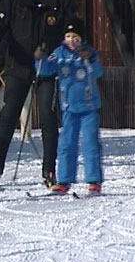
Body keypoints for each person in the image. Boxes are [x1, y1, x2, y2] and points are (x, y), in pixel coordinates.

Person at [0, 0, 78, 187]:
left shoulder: (61, 1)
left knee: (47, 117)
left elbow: (74, 30)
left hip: (47, 69)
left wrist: (55, 43)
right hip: (19, 65)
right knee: (7, 117)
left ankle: (49, 170)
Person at [42, 21, 104, 195]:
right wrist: (40, 57)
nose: (71, 41)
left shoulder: (88, 53)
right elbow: (45, 70)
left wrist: (90, 58)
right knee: (66, 144)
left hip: (89, 107)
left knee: (90, 143)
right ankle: (64, 180)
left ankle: (94, 180)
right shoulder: (59, 53)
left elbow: (98, 72)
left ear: (81, 39)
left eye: (75, 37)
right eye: (68, 37)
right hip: (69, 108)